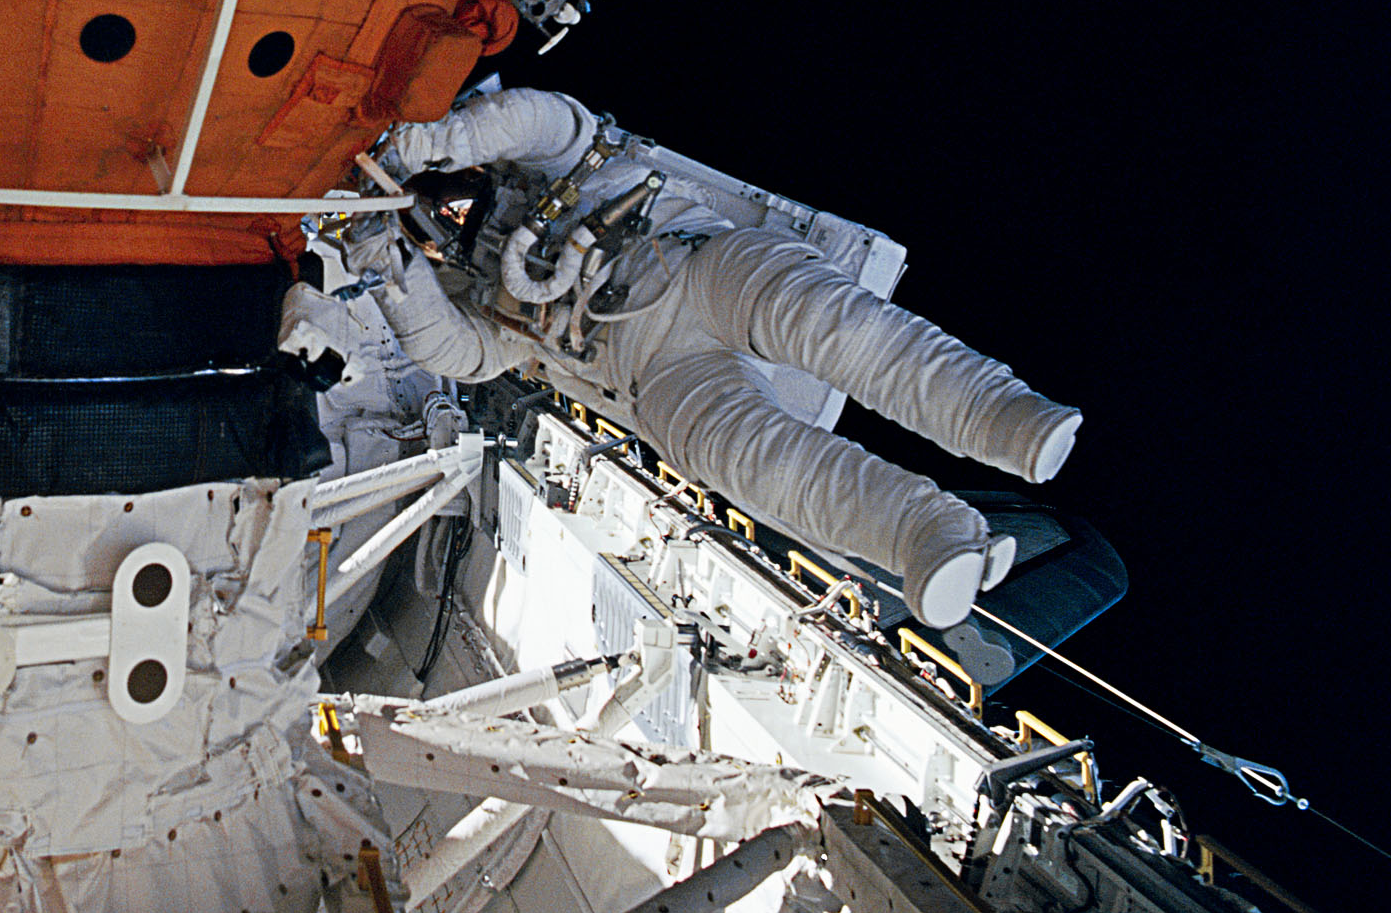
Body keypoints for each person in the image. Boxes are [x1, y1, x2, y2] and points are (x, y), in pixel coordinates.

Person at [359, 88, 1078, 629]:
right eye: (436, 225)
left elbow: (537, 118)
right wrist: (387, 261)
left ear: (476, 172)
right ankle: (926, 535)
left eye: (452, 198)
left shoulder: (559, 160)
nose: (450, 214)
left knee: (841, 330)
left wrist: (430, 143)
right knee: (752, 463)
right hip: (653, 371)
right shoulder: (485, 301)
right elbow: (456, 350)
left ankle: (1002, 418)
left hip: (700, 266)